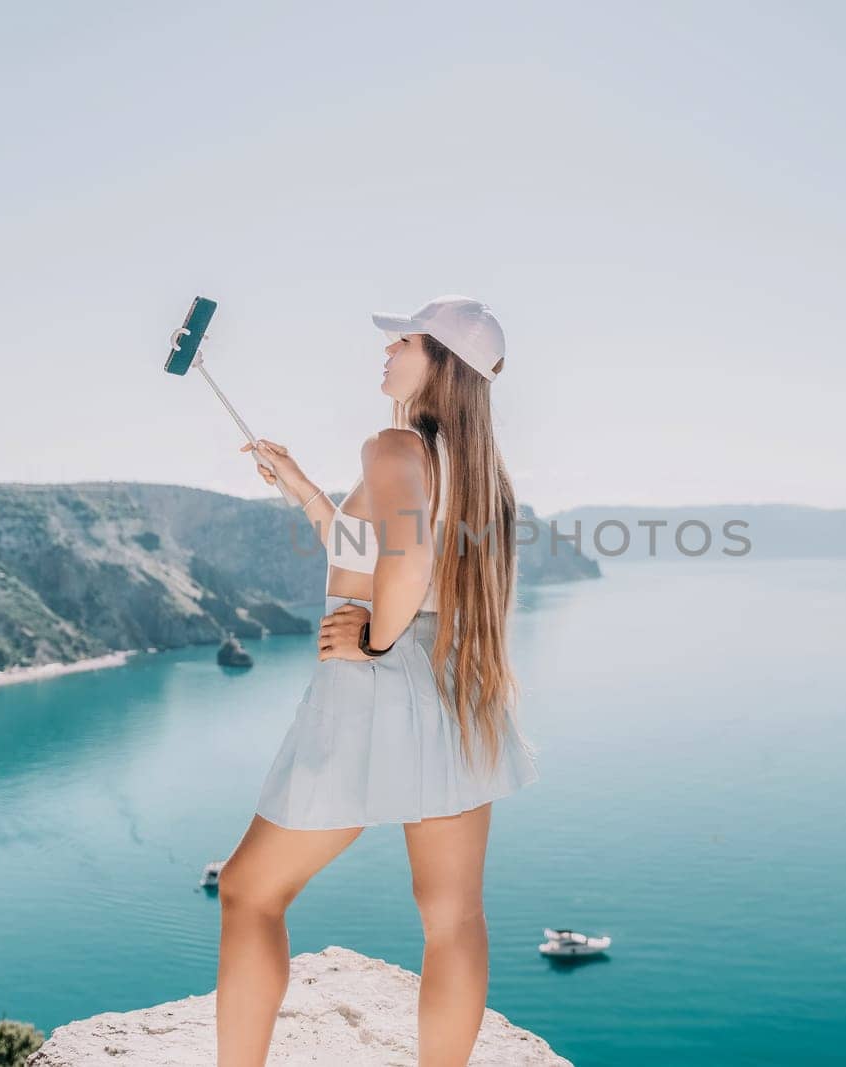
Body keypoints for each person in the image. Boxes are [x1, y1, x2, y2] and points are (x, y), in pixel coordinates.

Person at [214, 295, 541, 1067]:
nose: (386, 350)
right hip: (455, 688)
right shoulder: (475, 467)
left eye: (403, 339)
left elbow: (407, 562)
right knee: (452, 915)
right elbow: (377, 548)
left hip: (370, 695)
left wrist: (372, 637)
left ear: (442, 363)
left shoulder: (393, 444)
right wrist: (300, 487)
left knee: (248, 891)